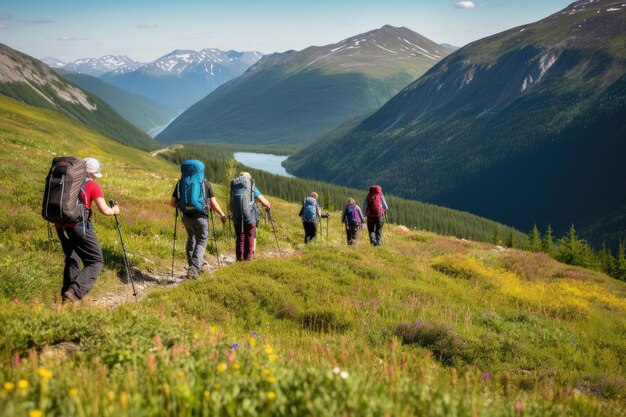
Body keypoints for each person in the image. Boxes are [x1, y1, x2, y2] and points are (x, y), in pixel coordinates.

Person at [56, 157, 119, 303]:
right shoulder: (92, 184)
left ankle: (67, 296)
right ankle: (75, 293)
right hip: (79, 226)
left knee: (73, 258)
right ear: (90, 173)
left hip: (60, 225)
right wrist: (115, 210)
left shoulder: (66, 180)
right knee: (96, 261)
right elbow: (104, 210)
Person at [170, 163, 227, 279]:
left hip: (186, 217)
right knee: (201, 240)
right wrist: (222, 214)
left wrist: (181, 206)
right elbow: (214, 204)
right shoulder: (205, 183)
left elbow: (172, 203)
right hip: (201, 217)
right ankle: (195, 268)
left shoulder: (180, 183)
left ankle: (192, 264)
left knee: (191, 238)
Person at [229, 172, 271, 261]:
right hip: (249, 217)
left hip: (237, 217)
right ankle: (247, 259)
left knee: (240, 236)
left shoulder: (234, 187)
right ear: (248, 178)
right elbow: (265, 202)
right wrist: (267, 206)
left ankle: (239, 259)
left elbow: (229, 206)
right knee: (249, 236)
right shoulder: (251, 186)